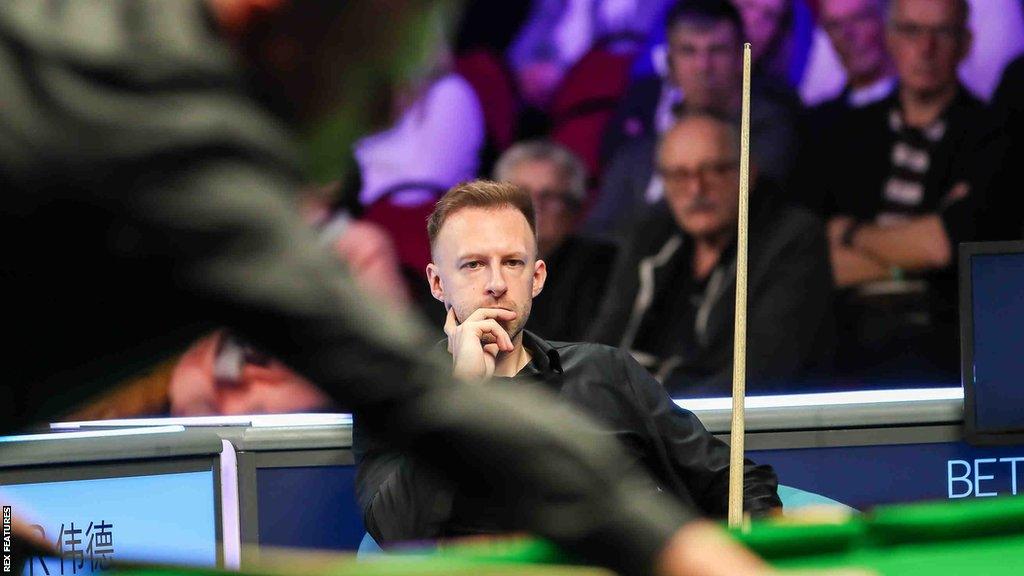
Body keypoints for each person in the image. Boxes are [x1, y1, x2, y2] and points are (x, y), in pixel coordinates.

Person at [0, 2, 781, 575]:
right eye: (371, 74)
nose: (382, 118)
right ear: (266, 16)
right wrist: (684, 557)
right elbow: (417, 405)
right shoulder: (166, 136)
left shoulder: (90, 50)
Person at [355, 180, 782, 545]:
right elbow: (395, 532)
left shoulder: (606, 373)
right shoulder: (398, 396)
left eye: (512, 263)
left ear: (536, 277)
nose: (497, 284)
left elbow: (740, 485)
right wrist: (462, 392)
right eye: (473, 265)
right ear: (436, 282)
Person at [804, 0, 994, 381]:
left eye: (941, 32)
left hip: (949, 355)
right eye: (911, 31)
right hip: (840, 351)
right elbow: (812, 259)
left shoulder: (993, 135)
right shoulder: (842, 133)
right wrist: (914, 257)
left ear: (966, 42)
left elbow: (944, 247)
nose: (925, 48)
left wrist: (852, 233)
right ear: (890, 37)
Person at [590, 113, 834, 396]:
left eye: (715, 170)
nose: (696, 189)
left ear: (749, 172)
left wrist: (654, 418)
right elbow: (604, 341)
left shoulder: (792, 237)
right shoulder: (651, 236)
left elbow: (762, 372)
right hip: (634, 419)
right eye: (680, 175)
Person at [589, 0, 800, 239]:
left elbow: (741, 211)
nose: (703, 66)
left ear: (742, 59)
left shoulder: (771, 127)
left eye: (717, 50)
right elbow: (598, 231)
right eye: (689, 51)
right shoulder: (642, 141)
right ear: (670, 65)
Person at [493, 141, 616, 341]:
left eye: (549, 196)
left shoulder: (603, 268)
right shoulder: (467, 263)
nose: (534, 205)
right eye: (521, 193)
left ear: (575, 207)